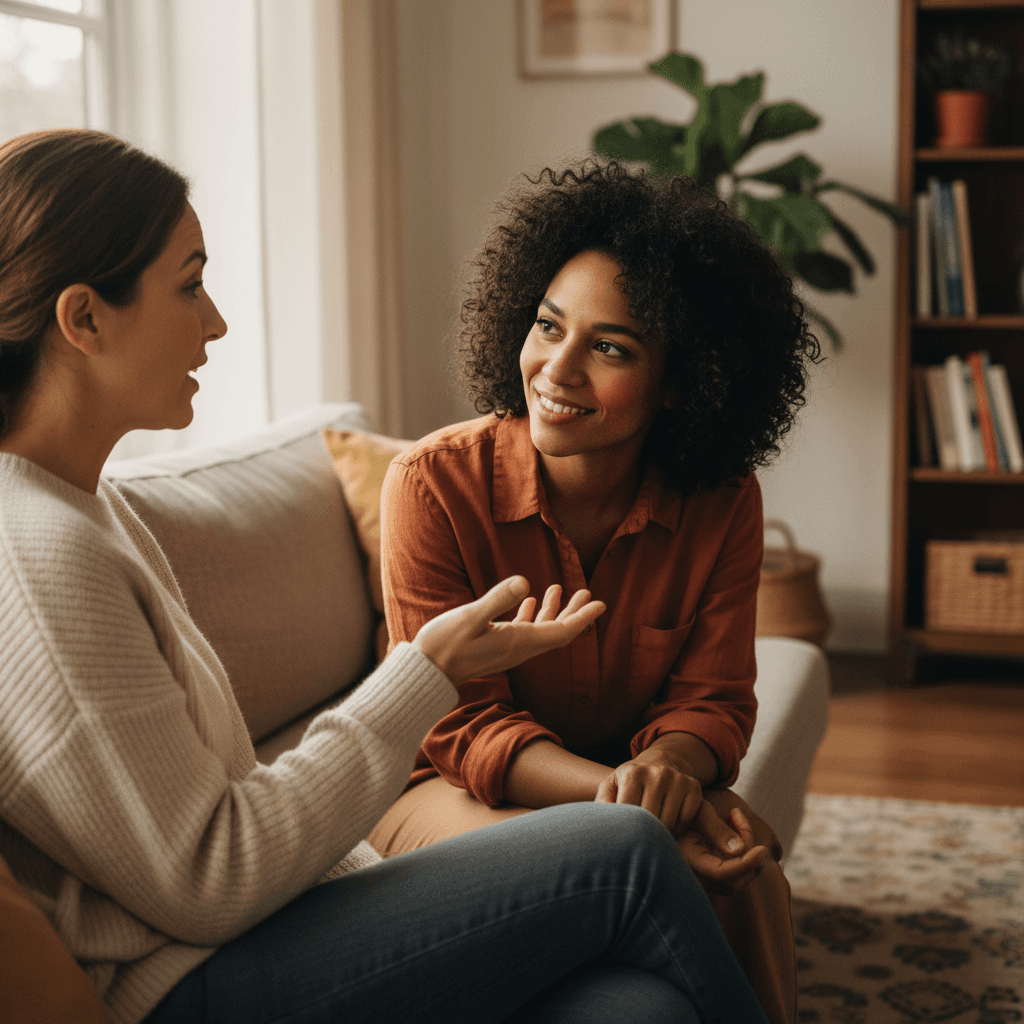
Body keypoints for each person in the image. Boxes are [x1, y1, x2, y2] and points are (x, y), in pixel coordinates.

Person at [0, 130, 774, 1024]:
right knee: (629, 851)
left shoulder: (88, 510)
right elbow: (211, 880)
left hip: (270, 925)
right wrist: (428, 669)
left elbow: (205, 829)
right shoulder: (40, 555)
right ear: (85, 320)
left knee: (640, 1009)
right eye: (190, 285)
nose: (215, 322)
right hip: (187, 986)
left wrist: (667, 765)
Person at [369, 160, 821, 1024]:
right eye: (548, 326)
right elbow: (461, 728)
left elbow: (713, 701)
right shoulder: (431, 484)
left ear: (682, 382)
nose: (557, 369)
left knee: (747, 872)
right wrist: (632, 804)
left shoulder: (722, 500)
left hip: (625, 791)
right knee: (643, 859)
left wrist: (669, 771)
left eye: (611, 347)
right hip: (448, 794)